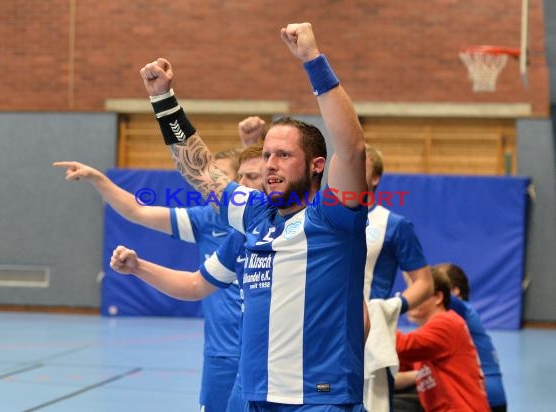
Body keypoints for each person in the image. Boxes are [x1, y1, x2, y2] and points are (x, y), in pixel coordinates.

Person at [138, 22, 368, 410]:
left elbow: (353, 147)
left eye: (283, 155)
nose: (270, 165)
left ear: (316, 165)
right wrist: (163, 99)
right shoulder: (256, 215)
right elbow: (200, 170)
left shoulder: (333, 217)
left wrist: (313, 61)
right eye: (265, 156)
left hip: (319, 399)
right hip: (255, 396)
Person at [54, 146, 259, 412]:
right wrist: (98, 179)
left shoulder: (271, 227)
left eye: (220, 179)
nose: (211, 187)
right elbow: (138, 211)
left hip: (259, 356)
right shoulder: (206, 220)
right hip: (220, 356)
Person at [362, 145, 434, 411]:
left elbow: (425, 283)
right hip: (329, 327)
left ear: (376, 177)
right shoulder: (326, 219)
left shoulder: (393, 224)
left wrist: (393, 307)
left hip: (372, 331)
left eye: (361, 163)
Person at [394, 266, 490, 411]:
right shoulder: (426, 334)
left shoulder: (446, 323)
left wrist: (379, 316)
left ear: (438, 297)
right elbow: (393, 374)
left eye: (416, 293)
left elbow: (401, 346)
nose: (408, 297)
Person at [436, 263, 508, 412]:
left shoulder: (463, 309)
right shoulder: (452, 319)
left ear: (455, 292)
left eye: (440, 286)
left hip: (485, 397)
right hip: (488, 395)